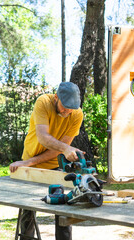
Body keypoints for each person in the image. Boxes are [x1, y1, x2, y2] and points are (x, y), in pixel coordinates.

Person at [9, 82, 84, 240]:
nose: (68, 111)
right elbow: (43, 137)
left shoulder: (77, 114)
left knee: (63, 208)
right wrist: (27, 163)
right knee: (28, 211)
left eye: (72, 108)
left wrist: (65, 149)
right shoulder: (43, 102)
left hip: (54, 165)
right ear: (56, 97)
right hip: (29, 163)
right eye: (65, 107)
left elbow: (59, 149)